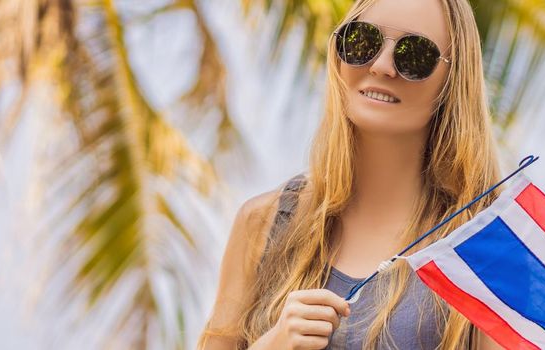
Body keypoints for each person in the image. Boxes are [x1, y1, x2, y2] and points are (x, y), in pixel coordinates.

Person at [199, 0, 505, 348]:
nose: (382, 66)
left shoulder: (485, 244)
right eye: (362, 41)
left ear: (453, 80)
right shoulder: (263, 223)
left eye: (415, 55)